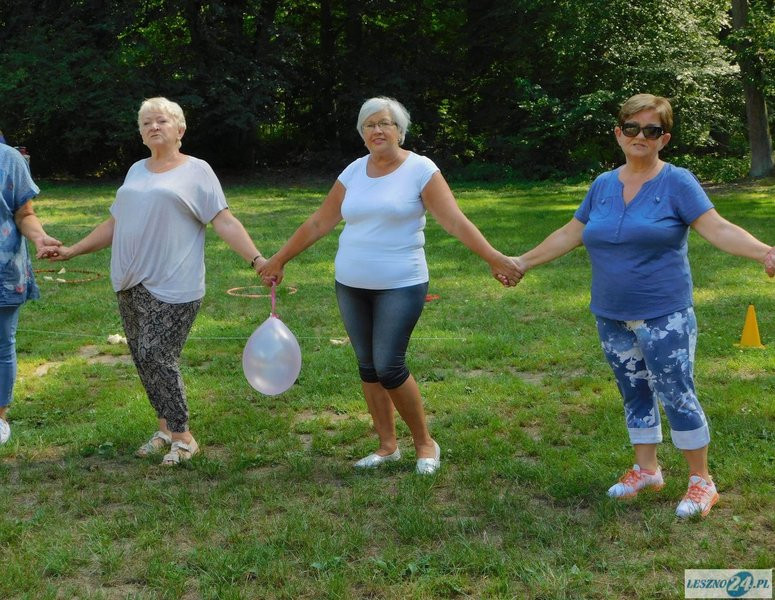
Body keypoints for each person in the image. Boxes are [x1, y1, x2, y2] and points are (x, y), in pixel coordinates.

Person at [511, 94, 775, 518]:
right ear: (619, 133)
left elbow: (717, 228)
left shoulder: (677, 182)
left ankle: (701, 481)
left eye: (652, 130)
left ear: (663, 139)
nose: (640, 137)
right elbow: (570, 233)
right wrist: (522, 262)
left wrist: (766, 252)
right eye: (632, 128)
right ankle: (647, 470)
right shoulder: (602, 185)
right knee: (633, 391)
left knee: (676, 393)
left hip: (664, 314)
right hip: (611, 314)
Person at [258, 96, 522, 475]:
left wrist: (494, 257)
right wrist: (279, 259)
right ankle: (387, 447)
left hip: (401, 282)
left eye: (385, 123)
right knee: (368, 367)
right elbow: (319, 222)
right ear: (362, 133)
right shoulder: (353, 172)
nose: (377, 130)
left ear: (400, 130)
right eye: (369, 125)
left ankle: (425, 444)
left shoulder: (420, 170)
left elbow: (454, 221)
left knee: (389, 365)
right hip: (350, 283)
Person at [41, 97, 267, 465]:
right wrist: (72, 251)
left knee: (157, 355)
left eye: (161, 120)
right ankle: (164, 430)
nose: (153, 127)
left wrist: (257, 260)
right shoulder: (136, 171)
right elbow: (116, 223)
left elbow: (223, 220)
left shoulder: (197, 171)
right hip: (129, 281)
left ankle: (183, 436)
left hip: (175, 281)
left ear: (180, 129)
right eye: (146, 123)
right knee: (143, 358)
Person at [0, 143, 61, 443]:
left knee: (1, 346)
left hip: (3, 270)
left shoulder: (8, 159)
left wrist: (39, 237)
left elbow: (24, 213)